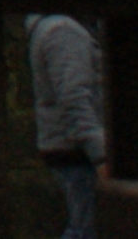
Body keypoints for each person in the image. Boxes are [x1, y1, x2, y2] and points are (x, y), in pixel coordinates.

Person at [27, 12, 106, 239]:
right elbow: (74, 99)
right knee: (85, 231)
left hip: (72, 149)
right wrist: (100, 155)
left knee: (83, 227)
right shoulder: (63, 31)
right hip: (78, 152)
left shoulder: (55, 28)